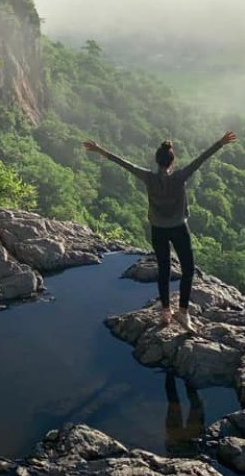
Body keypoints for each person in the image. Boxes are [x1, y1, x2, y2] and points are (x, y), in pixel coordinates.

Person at [82, 131, 237, 329]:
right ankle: (182, 313)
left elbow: (123, 163)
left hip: (158, 230)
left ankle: (165, 312)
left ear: (157, 161)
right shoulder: (180, 177)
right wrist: (220, 143)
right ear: (172, 162)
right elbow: (200, 159)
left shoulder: (148, 177)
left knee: (164, 269)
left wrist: (99, 150)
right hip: (179, 228)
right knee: (188, 269)